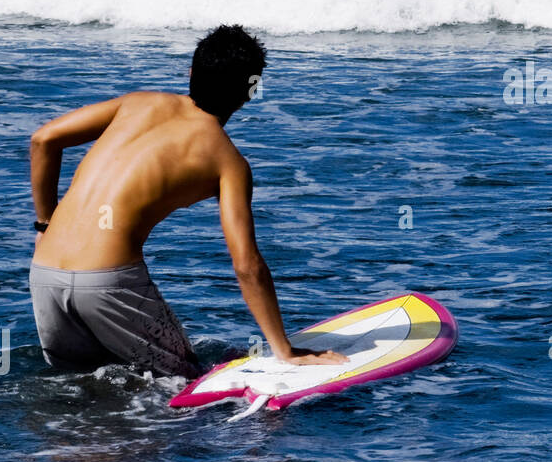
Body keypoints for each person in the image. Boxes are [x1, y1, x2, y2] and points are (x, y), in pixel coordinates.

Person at [27, 24, 347, 378]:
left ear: (191, 73)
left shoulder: (136, 103)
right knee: (185, 386)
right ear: (250, 92)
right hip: (108, 283)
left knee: (82, 393)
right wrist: (284, 350)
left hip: (45, 273)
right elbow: (246, 264)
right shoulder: (227, 162)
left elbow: (44, 140)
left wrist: (44, 224)